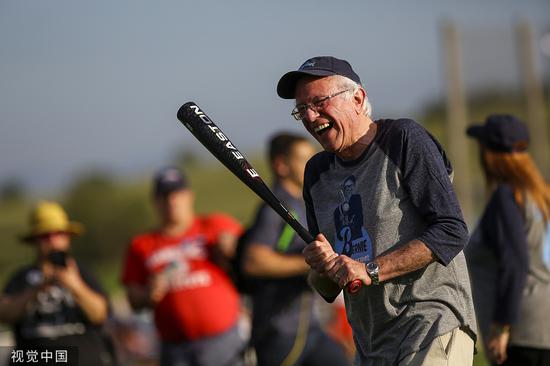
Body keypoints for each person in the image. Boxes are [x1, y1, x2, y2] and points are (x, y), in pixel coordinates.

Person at [276, 56, 477, 365]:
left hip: (430, 326)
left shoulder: (403, 140)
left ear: (358, 99)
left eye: (319, 102)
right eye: (302, 109)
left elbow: (451, 230)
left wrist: (370, 270)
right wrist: (320, 266)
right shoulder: (316, 173)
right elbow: (328, 287)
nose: (311, 116)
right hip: (371, 343)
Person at [242, 132, 351, 365]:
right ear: (281, 165)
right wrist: (310, 262)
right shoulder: (275, 209)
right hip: (279, 333)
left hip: (310, 327)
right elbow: (254, 260)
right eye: (303, 158)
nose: (311, 164)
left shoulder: (301, 203)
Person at [121, 166, 246, 366]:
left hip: (223, 341)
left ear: (189, 196)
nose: (172, 201)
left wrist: (234, 249)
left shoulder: (213, 225)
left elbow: (251, 255)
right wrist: (148, 293)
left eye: (177, 194)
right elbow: (133, 298)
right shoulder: (142, 244)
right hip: (176, 349)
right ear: (155, 202)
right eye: (165, 196)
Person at [465, 115, 550, 366]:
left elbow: (515, 263)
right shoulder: (540, 196)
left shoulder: (506, 197)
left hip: (525, 332)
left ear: (490, 155)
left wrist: (501, 327)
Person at [0, 201, 115, 366]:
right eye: (46, 236)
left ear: (68, 237)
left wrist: (74, 285)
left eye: (59, 234)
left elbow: (101, 314)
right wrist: (37, 289)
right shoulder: (22, 277)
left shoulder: (81, 273)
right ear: (34, 240)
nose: (53, 241)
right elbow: (4, 314)